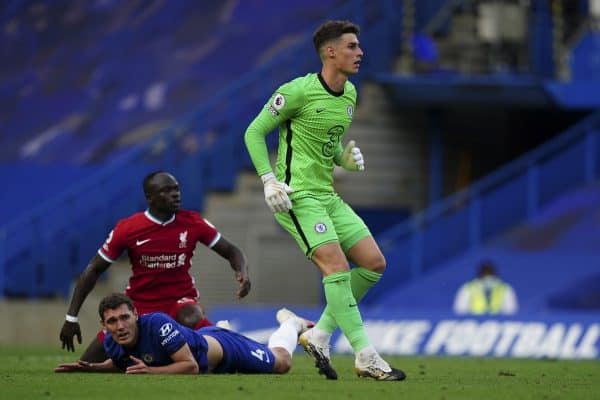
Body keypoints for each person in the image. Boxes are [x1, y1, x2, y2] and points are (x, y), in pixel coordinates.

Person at [243, 20, 405, 381]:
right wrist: (269, 180)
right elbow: (254, 131)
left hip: (328, 196)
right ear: (330, 52)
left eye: (359, 46)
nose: (360, 52)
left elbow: (327, 147)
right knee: (337, 268)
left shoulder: (349, 95)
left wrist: (343, 160)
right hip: (296, 197)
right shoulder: (297, 91)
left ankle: (318, 334)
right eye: (351, 46)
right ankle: (365, 355)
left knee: (373, 263)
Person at [59, 171, 251, 363]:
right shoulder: (128, 228)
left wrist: (242, 271)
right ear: (150, 197)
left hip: (180, 300)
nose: (175, 194)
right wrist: (71, 318)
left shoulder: (193, 222)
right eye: (166, 190)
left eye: (176, 189)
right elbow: (94, 269)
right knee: (88, 363)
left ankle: (235, 344)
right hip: (139, 305)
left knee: (192, 317)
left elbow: (231, 250)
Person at [55, 293, 310, 375]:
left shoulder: (157, 324)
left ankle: (291, 324)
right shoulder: (113, 341)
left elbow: (190, 366)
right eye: (112, 321)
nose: (120, 326)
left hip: (225, 349)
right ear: (104, 325)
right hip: (203, 343)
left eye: (124, 317)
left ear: (135, 314)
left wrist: (150, 371)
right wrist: (93, 368)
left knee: (282, 363)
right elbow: (121, 364)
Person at [453, 260, 518, 315]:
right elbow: (460, 310)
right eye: (484, 274)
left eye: (490, 274)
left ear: (495, 275)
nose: (487, 277)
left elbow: (511, 311)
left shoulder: (505, 288)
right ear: (479, 275)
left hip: (497, 323)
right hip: (474, 324)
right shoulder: (468, 288)